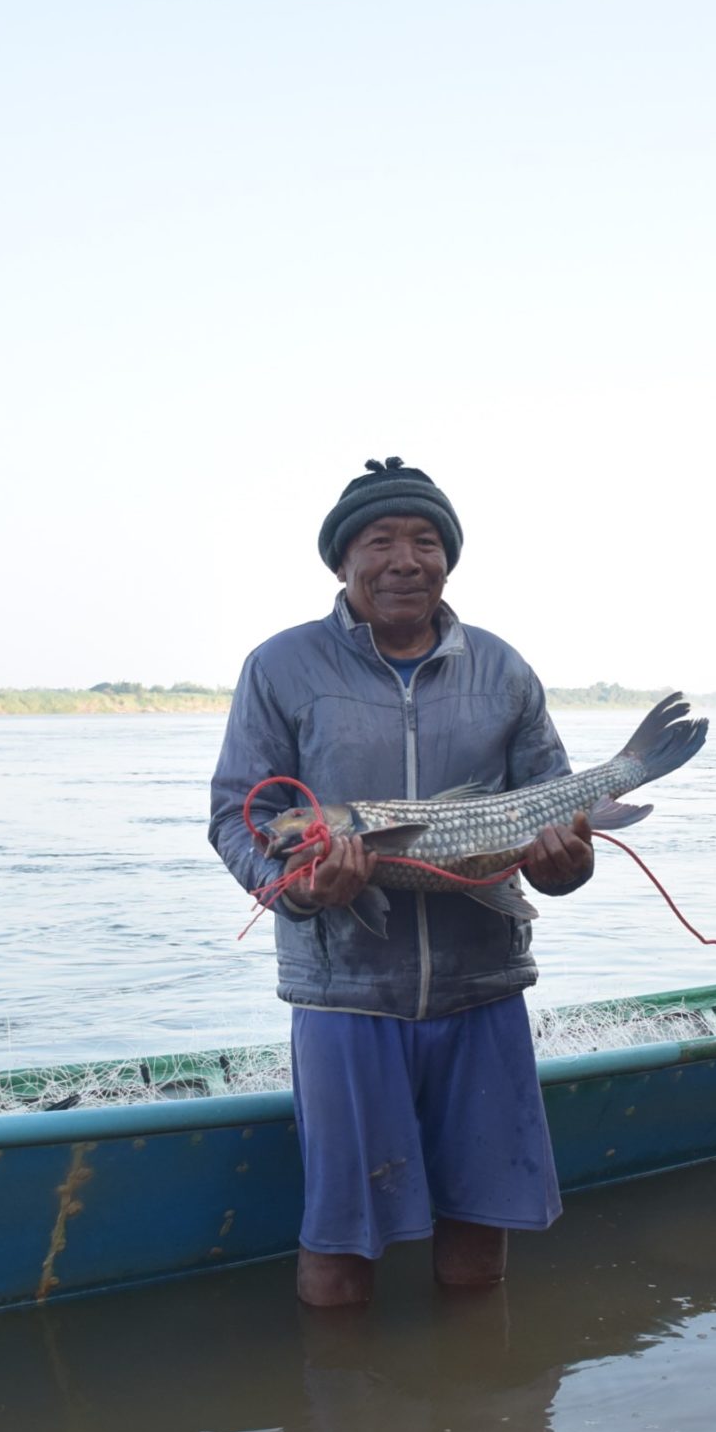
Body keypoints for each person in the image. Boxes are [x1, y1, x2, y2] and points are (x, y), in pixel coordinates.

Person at [208, 456, 595, 1308]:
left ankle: (478, 1420)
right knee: (342, 1242)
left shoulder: (502, 670)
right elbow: (239, 817)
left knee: (478, 1233)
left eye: (425, 540)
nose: (404, 560)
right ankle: (349, 1426)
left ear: (449, 558)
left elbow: (554, 813)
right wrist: (299, 892)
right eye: (379, 541)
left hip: (483, 990)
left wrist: (570, 864)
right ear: (342, 562)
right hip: (346, 998)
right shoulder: (282, 667)